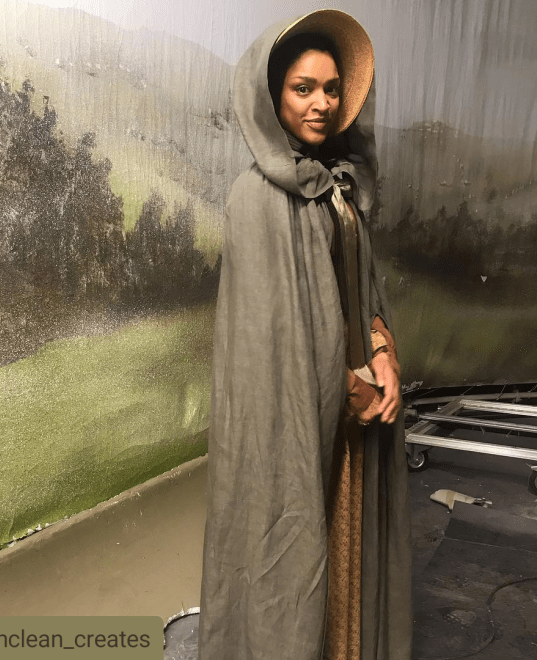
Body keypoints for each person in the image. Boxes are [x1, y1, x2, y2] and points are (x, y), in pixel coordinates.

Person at [199, 9, 412, 660]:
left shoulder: (337, 189)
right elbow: (269, 344)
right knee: (289, 546)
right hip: (292, 416)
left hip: (353, 405)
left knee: (344, 546)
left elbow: (361, 287)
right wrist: (344, 386)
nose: (322, 103)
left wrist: (381, 353)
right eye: (303, 88)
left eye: (331, 88)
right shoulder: (255, 198)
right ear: (272, 98)